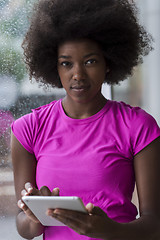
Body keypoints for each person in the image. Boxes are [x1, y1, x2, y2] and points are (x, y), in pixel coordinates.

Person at [11, 0, 160, 239]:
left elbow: (155, 224)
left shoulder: (138, 126)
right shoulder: (28, 129)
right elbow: (24, 228)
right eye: (66, 64)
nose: (78, 74)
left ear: (108, 63)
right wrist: (33, 217)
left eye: (90, 61)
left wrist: (111, 230)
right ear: (54, 67)